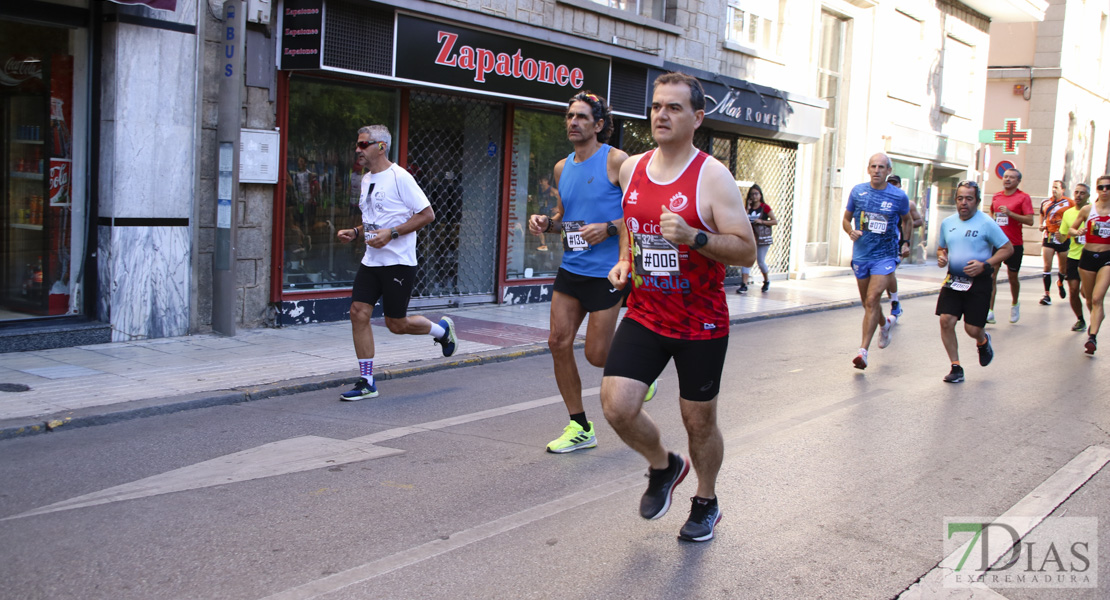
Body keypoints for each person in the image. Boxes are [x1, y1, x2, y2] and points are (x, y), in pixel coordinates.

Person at [602, 72, 756, 543]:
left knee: (698, 419)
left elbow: (746, 250)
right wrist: (625, 259)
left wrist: (696, 238)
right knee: (617, 407)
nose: (661, 115)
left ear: (697, 117)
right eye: (656, 107)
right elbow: (631, 221)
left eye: (673, 108)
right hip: (647, 311)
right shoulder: (633, 168)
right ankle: (664, 465)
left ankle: (706, 501)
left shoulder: (712, 177)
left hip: (700, 320)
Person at [526, 91, 653, 454]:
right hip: (573, 267)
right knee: (557, 342)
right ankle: (580, 426)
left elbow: (638, 214)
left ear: (598, 125)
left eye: (581, 117)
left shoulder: (617, 161)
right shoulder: (562, 168)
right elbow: (566, 219)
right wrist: (546, 224)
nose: (573, 123)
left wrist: (609, 229)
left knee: (598, 356)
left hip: (607, 272)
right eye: (569, 116)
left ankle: (644, 370)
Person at [334, 125, 459, 400]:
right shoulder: (366, 180)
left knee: (396, 324)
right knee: (358, 312)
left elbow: (427, 214)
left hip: (398, 262)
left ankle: (442, 330)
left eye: (363, 144)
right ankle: (367, 381)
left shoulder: (400, 177)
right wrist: (356, 232)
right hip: (372, 260)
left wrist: (392, 234)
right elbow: (375, 219)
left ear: (381, 146)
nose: (358, 149)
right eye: (358, 144)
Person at [935, 181, 1013, 383]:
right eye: (960, 198)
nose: (964, 203)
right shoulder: (948, 223)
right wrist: (942, 256)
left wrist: (985, 265)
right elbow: (942, 248)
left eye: (969, 199)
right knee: (946, 320)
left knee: (972, 329)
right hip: (954, 280)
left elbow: (1007, 249)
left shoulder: (986, 223)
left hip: (978, 282)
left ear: (977, 201)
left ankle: (983, 341)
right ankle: (956, 366)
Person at [842, 153, 911, 369]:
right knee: (867, 303)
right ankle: (885, 323)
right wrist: (850, 231)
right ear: (868, 169)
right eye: (873, 166)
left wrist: (906, 242)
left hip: (886, 255)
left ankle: (863, 352)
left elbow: (908, 220)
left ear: (889, 171)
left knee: (873, 299)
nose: (877, 170)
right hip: (862, 254)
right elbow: (846, 218)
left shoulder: (898, 196)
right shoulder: (858, 191)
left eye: (882, 167)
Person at [1068, 174, 1110, 355]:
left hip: (1107, 257)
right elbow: (1070, 230)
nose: (1105, 191)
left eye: (1108, 187)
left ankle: (1092, 337)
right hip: (1087, 257)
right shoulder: (1087, 210)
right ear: (1097, 189)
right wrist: (1078, 231)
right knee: (1088, 296)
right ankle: (1097, 316)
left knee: (1096, 298)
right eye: (1101, 187)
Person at [988, 168, 1034, 324]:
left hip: (1014, 244)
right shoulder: (996, 196)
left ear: (1018, 181)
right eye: (1006, 176)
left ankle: (1015, 303)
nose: (1007, 179)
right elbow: (991, 216)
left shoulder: (1023, 198)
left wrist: (1010, 213)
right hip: (996, 243)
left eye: (1011, 177)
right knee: (991, 276)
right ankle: (989, 311)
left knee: (1012, 277)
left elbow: (1030, 220)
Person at [883, 174, 923, 318]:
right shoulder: (882, 200)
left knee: (889, 272)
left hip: (899, 243)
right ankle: (894, 301)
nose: (893, 186)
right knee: (887, 273)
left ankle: (894, 302)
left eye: (895, 184)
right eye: (890, 183)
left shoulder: (907, 203)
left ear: (900, 185)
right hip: (883, 242)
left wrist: (907, 223)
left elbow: (918, 221)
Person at [1058, 183, 1090, 332]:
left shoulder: (1094, 211)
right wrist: (1060, 236)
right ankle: (1080, 319)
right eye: (1076, 192)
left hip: (1090, 255)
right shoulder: (1068, 213)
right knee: (1073, 290)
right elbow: (1064, 236)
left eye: (1082, 193)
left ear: (1088, 196)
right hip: (1074, 256)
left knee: (1086, 292)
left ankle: (1094, 317)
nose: (1078, 195)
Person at [736, 184, 777, 294]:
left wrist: (762, 221)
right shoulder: (747, 208)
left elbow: (775, 221)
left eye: (756, 194)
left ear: (760, 195)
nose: (754, 196)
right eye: (752, 194)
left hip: (762, 239)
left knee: (760, 261)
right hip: (750, 238)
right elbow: (743, 219)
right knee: (746, 260)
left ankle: (766, 280)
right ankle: (744, 284)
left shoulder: (765, 207)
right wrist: (748, 208)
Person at [1037, 180, 1073, 306]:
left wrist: (1064, 222)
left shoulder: (1069, 203)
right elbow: (1042, 214)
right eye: (1053, 187)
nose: (1054, 190)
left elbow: (1075, 217)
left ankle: (1060, 282)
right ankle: (1046, 294)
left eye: (1056, 187)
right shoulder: (1046, 202)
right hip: (1049, 236)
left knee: (1063, 267)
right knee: (1047, 266)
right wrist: (1041, 224)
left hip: (1063, 237)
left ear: (1062, 189)